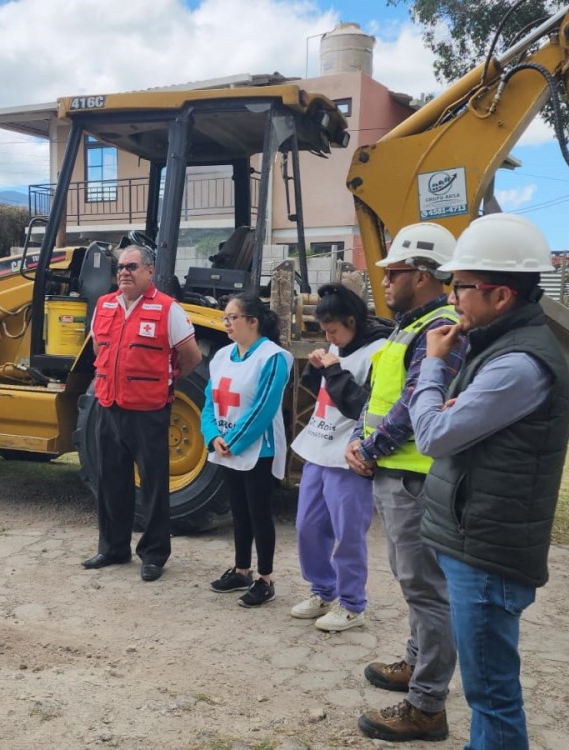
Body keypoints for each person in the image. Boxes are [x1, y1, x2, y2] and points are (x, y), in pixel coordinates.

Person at [410, 213, 569, 749]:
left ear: (500, 295)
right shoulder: (499, 346)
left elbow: (433, 436)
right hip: (476, 538)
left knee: (492, 695)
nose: (452, 298)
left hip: (487, 552)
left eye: (460, 286)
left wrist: (433, 368)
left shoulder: (517, 363)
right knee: (488, 691)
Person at [345, 222, 466, 743]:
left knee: (428, 589)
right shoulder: (407, 325)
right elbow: (379, 396)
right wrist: (357, 437)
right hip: (396, 473)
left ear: (420, 274)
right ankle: (417, 665)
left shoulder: (440, 328)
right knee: (413, 583)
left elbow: (417, 402)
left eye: (392, 272)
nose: (384, 281)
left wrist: (368, 450)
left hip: (415, 476)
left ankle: (427, 707)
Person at [82, 244, 202, 582]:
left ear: (150, 272)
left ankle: (153, 555)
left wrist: (163, 381)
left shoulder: (167, 309)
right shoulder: (104, 306)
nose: (124, 272)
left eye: (132, 267)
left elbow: (190, 356)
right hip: (108, 405)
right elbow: (98, 349)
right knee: (110, 482)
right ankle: (113, 548)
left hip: (149, 411)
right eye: (120, 267)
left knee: (153, 485)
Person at [289, 283, 393, 630]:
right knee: (308, 526)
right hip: (319, 448)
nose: (329, 335)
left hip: (349, 456)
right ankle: (323, 590)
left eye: (333, 329)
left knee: (348, 533)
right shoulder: (337, 343)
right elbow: (316, 388)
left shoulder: (379, 350)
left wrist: (333, 370)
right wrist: (318, 364)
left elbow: (362, 405)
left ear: (352, 321)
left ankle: (351, 603)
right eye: (325, 330)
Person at [202, 293, 293, 607]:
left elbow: (264, 409)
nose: (226, 324)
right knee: (238, 512)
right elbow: (209, 402)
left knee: (259, 514)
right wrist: (213, 435)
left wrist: (234, 441)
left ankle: (265, 579)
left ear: (253, 322)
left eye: (232, 318)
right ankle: (242, 570)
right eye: (225, 318)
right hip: (227, 446)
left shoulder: (273, 357)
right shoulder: (222, 356)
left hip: (259, 450)